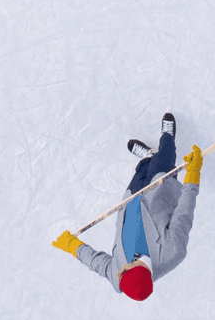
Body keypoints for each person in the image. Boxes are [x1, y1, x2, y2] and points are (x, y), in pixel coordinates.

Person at [53, 114, 200, 302]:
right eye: (123, 270)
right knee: (165, 157)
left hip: (131, 200)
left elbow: (96, 263)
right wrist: (193, 175)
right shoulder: (172, 253)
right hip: (161, 192)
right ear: (137, 268)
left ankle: (149, 156)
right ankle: (167, 138)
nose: (117, 271)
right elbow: (184, 212)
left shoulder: (118, 279)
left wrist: (72, 246)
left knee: (142, 171)